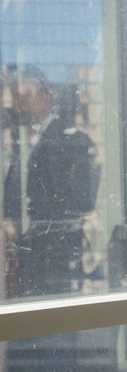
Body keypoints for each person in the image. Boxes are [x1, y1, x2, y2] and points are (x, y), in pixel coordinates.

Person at [3, 65, 100, 297]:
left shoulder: (70, 143)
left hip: (54, 257)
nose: (18, 105)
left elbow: (77, 204)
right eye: (16, 97)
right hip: (30, 254)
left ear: (45, 99)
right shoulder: (22, 141)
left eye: (25, 96)